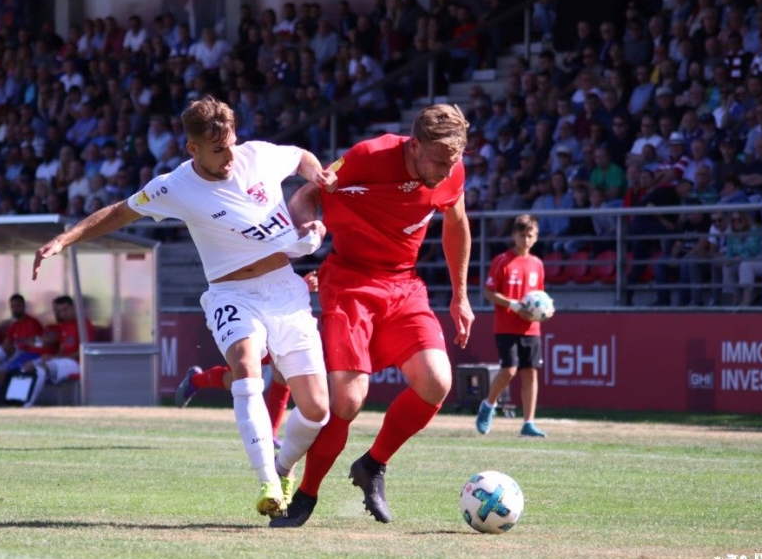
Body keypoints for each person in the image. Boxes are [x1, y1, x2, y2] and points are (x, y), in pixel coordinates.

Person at [32, 96, 335, 521]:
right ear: (193, 149)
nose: (229, 157)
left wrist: (316, 173)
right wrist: (65, 238)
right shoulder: (174, 185)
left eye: (230, 144)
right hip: (233, 294)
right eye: (217, 151)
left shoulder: (258, 156)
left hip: (285, 289)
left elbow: (301, 157)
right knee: (246, 364)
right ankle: (267, 481)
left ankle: (283, 466)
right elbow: (120, 213)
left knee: (318, 410)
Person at [281, 103, 474, 528]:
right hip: (349, 282)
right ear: (415, 145)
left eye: (454, 162)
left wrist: (460, 295)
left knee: (437, 381)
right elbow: (306, 194)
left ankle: (372, 464)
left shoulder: (451, 172)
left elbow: (456, 223)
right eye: (439, 161)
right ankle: (306, 494)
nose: (446, 172)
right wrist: (308, 228)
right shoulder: (368, 156)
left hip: (404, 285)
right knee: (347, 401)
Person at [175, 272, 320, 447]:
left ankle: (270, 434)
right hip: (244, 309)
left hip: (275, 311)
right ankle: (196, 380)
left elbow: (278, 267)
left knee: (281, 372)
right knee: (239, 377)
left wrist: (300, 286)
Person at [476, 214, 548, 438]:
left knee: (530, 373)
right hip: (506, 325)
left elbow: (539, 296)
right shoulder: (502, 261)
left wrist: (544, 310)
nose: (526, 240)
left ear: (535, 238)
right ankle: (488, 405)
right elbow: (488, 292)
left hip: (531, 328)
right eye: (522, 235)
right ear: (513, 235)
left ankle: (528, 423)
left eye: (530, 236)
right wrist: (513, 305)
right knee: (509, 370)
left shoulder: (537, 264)